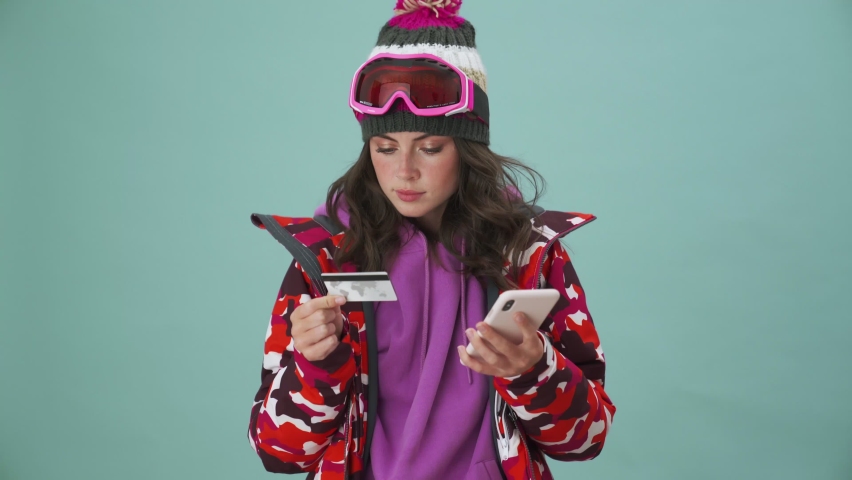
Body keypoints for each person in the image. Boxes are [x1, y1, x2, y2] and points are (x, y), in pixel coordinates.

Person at [246, 1, 615, 479]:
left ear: (468, 148)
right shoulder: (327, 258)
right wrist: (314, 365)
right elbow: (278, 454)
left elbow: (587, 440)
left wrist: (533, 367)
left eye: (431, 147)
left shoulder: (528, 253)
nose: (404, 172)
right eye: (385, 148)